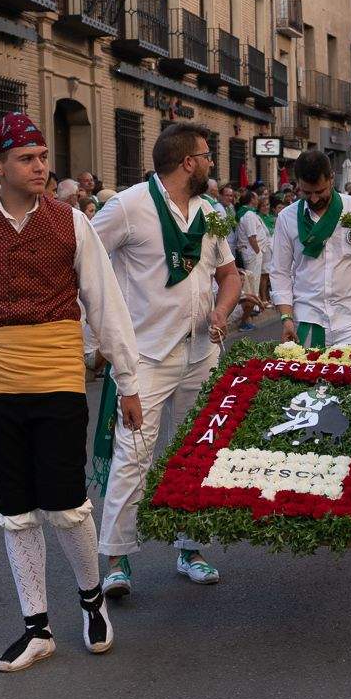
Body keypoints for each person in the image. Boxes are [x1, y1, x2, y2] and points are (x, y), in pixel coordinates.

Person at [0, 112, 142, 673]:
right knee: (16, 507)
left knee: (67, 503)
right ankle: (36, 627)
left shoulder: (72, 223)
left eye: (43, 156)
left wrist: (129, 379)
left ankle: (92, 602)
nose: (41, 166)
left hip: (58, 373)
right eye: (27, 158)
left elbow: (105, 303)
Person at [91, 120, 240, 596]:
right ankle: (115, 558)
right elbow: (86, 263)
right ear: (188, 162)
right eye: (207, 155)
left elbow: (230, 276)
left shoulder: (211, 212)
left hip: (201, 352)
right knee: (133, 455)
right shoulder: (128, 206)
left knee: (199, 451)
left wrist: (220, 311)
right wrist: (98, 337)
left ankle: (191, 547)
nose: (213, 164)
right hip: (146, 355)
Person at [270, 150, 351, 349]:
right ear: (297, 184)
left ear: (332, 179)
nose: (314, 199)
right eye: (307, 193)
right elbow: (280, 272)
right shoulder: (286, 218)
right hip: (307, 319)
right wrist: (286, 318)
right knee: (311, 380)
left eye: (320, 191)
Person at [237, 191, 272, 330]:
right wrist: (257, 251)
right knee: (253, 280)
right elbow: (252, 236)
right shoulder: (249, 215)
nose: (258, 201)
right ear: (252, 199)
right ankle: (252, 308)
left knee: (255, 280)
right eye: (256, 198)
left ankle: (254, 307)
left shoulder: (249, 213)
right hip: (252, 253)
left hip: (254, 252)